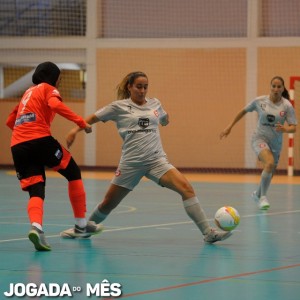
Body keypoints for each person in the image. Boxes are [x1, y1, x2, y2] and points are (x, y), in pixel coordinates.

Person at [60, 71, 232, 244]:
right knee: (108, 203)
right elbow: (91, 118)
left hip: (156, 161)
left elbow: (164, 119)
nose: (142, 91)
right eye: (138, 87)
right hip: (131, 164)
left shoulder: (155, 103)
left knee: (186, 189)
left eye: (145, 87)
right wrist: (75, 130)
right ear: (129, 87)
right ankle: (83, 228)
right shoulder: (118, 107)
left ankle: (208, 233)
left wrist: (165, 120)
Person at [6, 61, 103, 251]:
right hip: (39, 139)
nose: (58, 83)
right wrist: (81, 122)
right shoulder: (47, 89)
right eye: (58, 79)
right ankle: (81, 226)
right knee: (73, 172)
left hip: (18, 145)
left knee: (36, 189)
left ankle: (37, 228)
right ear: (53, 78)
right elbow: (55, 105)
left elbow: (11, 120)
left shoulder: (27, 93)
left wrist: (25, 136)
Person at [220, 76, 297, 210]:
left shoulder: (287, 106)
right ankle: (263, 197)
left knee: (270, 171)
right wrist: (229, 127)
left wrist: (285, 129)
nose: (276, 89)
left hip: (276, 143)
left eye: (279, 87)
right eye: (273, 86)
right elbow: (242, 111)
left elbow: (293, 127)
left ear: (283, 88)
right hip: (259, 138)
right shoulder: (259, 101)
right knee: (269, 163)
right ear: (270, 87)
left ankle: (257, 194)